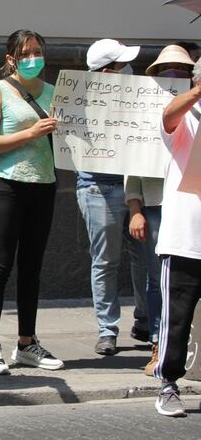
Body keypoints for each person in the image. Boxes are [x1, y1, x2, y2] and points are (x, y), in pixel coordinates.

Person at [0, 29, 64, 374]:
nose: (32, 59)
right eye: (25, 53)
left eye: (37, 52)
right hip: (5, 185)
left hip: (44, 184)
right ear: (11, 58)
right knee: (0, 264)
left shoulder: (56, 92)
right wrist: (30, 133)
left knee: (32, 267)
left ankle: (27, 343)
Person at [75, 39, 148, 356]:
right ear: (106, 72)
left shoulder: (138, 96)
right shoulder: (77, 100)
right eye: (122, 65)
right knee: (105, 261)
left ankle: (146, 322)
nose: (129, 69)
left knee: (145, 260)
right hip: (97, 188)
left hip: (139, 185)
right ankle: (107, 331)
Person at [126, 45, 195, 377]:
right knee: (159, 283)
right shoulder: (157, 110)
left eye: (181, 71)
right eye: (168, 72)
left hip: (188, 215)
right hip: (161, 210)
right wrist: (134, 206)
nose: (175, 77)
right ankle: (160, 350)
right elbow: (132, 162)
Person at [152, 56, 201, 417]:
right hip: (185, 236)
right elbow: (168, 118)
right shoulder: (187, 116)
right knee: (178, 318)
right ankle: (168, 383)